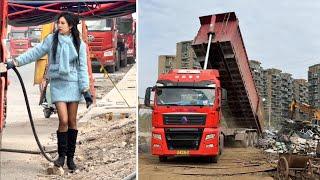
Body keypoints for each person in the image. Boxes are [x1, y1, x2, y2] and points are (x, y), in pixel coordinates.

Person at [6, 12, 93, 171]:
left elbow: (82, 69)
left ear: (70, 26)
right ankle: (61, 156)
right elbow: (35, 52)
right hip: (58, 85)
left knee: (73, 121)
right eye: (58, 22)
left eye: (62, 23)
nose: (59, 25)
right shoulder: (51, 40)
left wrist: (86, 91)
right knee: (64, 120)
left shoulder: (80, 44)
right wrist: (16, 61)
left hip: (74, 85)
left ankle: (70, 159)